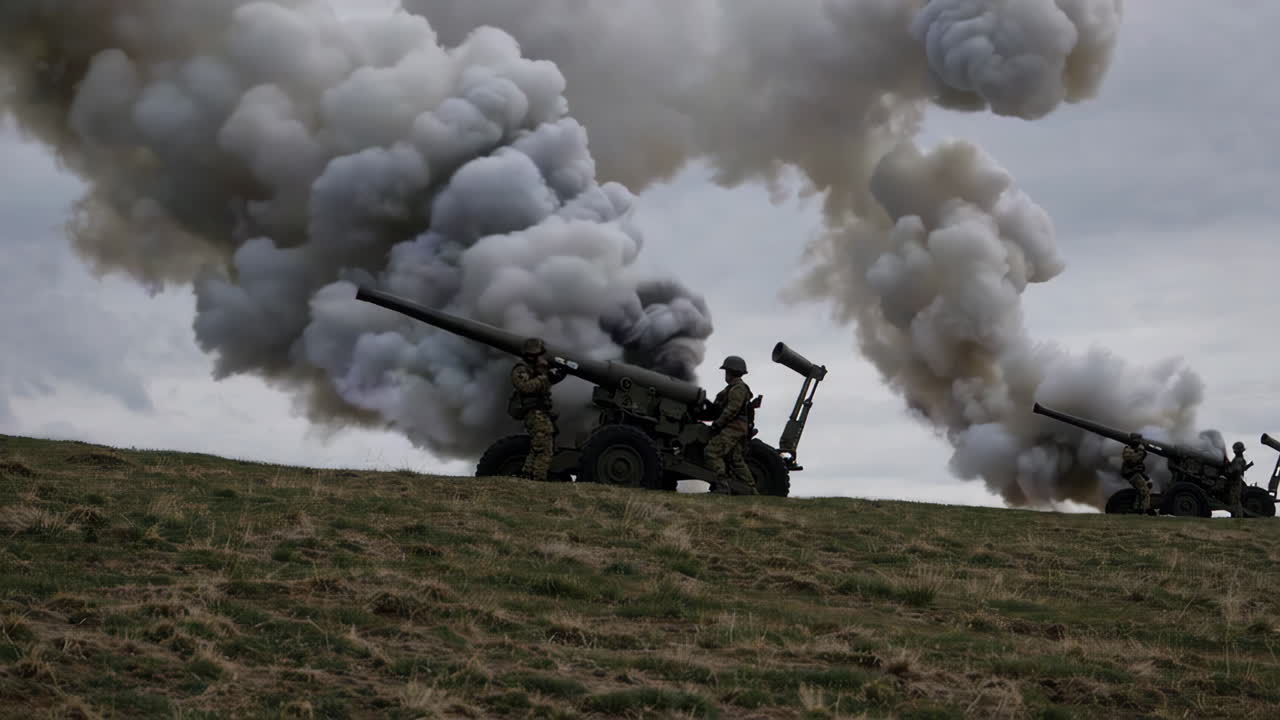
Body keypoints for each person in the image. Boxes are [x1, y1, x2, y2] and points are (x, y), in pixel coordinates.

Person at [507, 338, 567, 482]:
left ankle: (527, 476)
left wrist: (557, 376)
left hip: (540, 412)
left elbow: (544, 382)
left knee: (537, 448)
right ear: (531, 355)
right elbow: (525, 387)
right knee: (545, 449)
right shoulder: (520, 369)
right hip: (534, 413)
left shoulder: (536, 369)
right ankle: (538, 480)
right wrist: (546, 378)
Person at [704, 355, 757, 495]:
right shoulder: (732, 388)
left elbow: (732, 409)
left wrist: (717, 424)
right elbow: (719, 407)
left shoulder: (738, 388)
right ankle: (752, 491)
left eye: (726, 371)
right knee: (736, 460)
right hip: (737, 429)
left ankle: (722, 487)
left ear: (730, 372)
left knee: (712, 452)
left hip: (734, 428)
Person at [1121, 434, 1151, 513]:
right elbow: (1134, 460)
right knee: (1145, 491)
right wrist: (1142, 451)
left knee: (1140, 491)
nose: (1140, 442)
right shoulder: (1128, 450)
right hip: (1132, 474)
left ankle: (1137, 509)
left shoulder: (1134, 450)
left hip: (1134, 473)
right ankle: (1144, 510)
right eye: (1139, 440)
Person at [1225, 441, 1247, 517]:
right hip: (1236, 482)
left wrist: (1229, 471)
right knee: (1235, 500)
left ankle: (1238, 516)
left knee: (1235, 500)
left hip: (1235, 482)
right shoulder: (1239, 459)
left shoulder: (1238, 460)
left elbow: (1235, 471)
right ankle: (1237, 516)